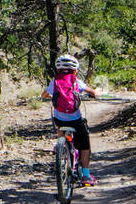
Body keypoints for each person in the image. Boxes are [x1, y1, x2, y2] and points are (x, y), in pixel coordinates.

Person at [42, 53, 99, 185]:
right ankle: (86, 175)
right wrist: (95, 94)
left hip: (60, 120)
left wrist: (52, 96)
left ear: (58, 69)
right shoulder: (76, 81)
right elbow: (92, 92)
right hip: (75, 119)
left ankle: (60, 144)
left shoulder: (55, 81)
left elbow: (44, 94)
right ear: (75, 70)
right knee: (85, 145)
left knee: (59, 123)